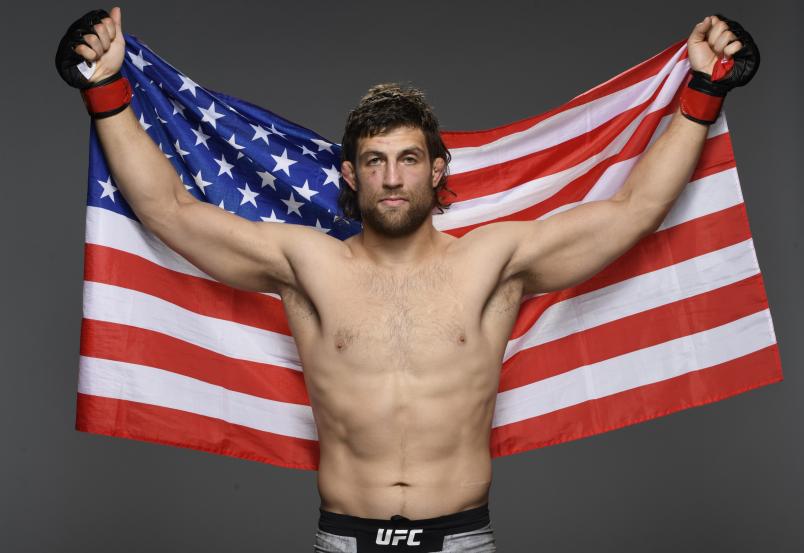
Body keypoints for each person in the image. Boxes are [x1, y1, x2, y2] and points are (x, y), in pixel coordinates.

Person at [55, 7, 759, 552]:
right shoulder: (308, 264)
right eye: (375, 161)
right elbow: (168, 210)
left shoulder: (493, 261)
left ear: (437, 170)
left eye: (409, 159)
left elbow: (633, 211)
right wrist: (109, 89)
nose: (392, 177)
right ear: (350, 175)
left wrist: (701, 89)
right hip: (343, 535)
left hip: (462, 537)